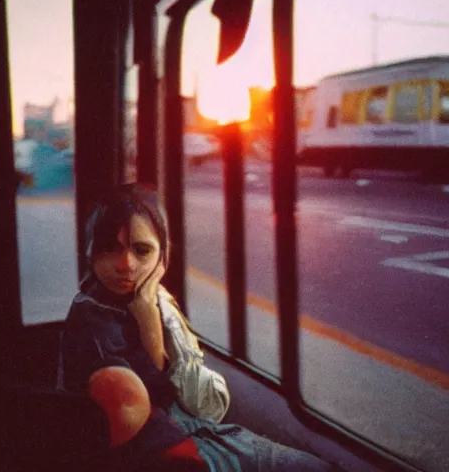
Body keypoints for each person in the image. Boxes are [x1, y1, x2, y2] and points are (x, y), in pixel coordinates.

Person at [61, 183, 336, 471]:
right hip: (171, 443)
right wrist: (148, 320)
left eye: (142, 251)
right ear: (91, 252)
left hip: (187, 426)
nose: (126, 264)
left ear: (162, 255)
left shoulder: (147, 299)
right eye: (110, 249)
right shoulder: (93, 319)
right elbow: (151, 396)